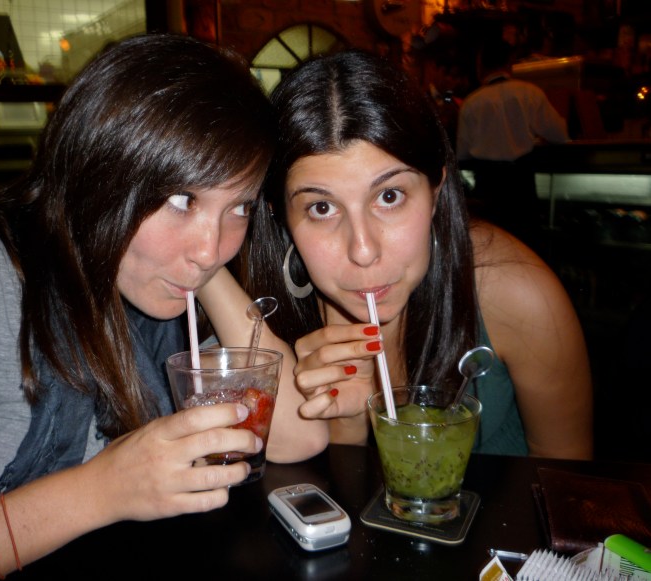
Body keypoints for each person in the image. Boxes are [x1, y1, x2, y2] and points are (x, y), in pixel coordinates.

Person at [0, 33, 326, 579]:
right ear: (100, 165)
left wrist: (203, 269)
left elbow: (295, 433)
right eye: (180, 198)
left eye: (241, 207)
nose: (213, 247)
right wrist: (100, 491)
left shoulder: (152, 286)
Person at [224, 49, 592, 461]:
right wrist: (348, 424)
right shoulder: (265, 323)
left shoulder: (518, 295)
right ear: (280, 215)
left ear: (435, 190)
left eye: (389, 196)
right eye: (322, 208)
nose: (363, 251)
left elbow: (570, 483)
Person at [456, 38, 569, 244]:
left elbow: (462, 153)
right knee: (525, 242)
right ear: (509, 62)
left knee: (492, 244)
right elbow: (559, 135)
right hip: (521, 182)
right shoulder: (529, 92)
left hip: (488, 185)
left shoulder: (472, 102)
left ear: (481, 65)